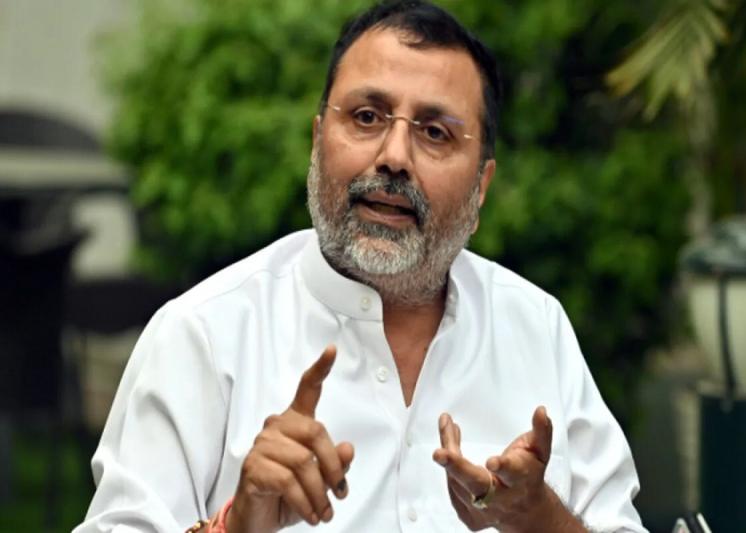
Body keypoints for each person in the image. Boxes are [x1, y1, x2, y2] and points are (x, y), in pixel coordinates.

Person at [75, 1, 647, 532]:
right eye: (367, 116)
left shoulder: (536, 327)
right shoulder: (204, 334)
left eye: (435, 132)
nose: (394, 157)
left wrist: (545, 519)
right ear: (318, 141)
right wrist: (237, 525)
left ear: (481, 187)